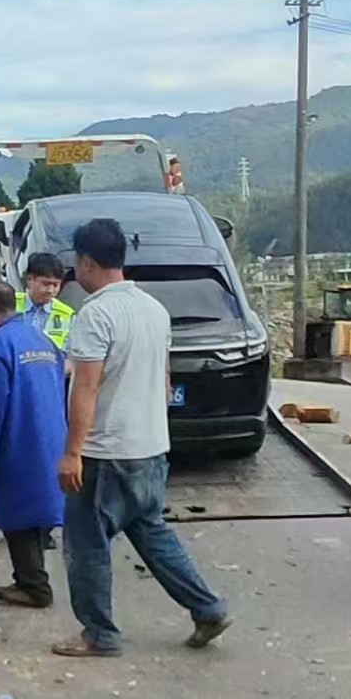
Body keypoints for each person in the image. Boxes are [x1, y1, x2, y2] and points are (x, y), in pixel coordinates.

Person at [53, 217, 230, 658]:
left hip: (106, 452)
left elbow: (85, 388)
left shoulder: (95, 314)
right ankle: (207, 608)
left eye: (76, 261)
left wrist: (72, 452)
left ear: (87, 262)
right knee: (150, 532)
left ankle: (99, 634)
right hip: (150, 447)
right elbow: (165, 381)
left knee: (87, 544)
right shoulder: (154, 309)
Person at [0, 281, 67, 609]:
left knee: (17, 513)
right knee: (37, 509)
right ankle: (29, 577)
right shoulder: (41, 340)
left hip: (17, 440)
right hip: (50, 437)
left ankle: (34, 586)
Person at [15, 252, 74, 350]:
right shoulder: (9, 302)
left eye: (55, 285)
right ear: (30, 280)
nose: (50, 290)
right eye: (46, 284)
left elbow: (70, 350)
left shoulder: (67, 315)